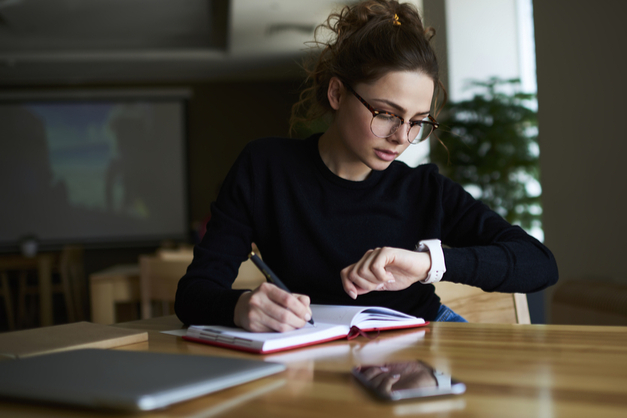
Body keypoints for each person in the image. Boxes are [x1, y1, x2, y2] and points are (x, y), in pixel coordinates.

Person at [174, 0, 558, 332]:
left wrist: (428, 263)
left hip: (425, 339)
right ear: (337, 92)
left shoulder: (424, 189)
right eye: (387, 114)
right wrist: (241, 307)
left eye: (417, 121)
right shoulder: (265, 169)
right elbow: (194, 294)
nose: (401, 137)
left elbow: (539, 264)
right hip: (317, 345)